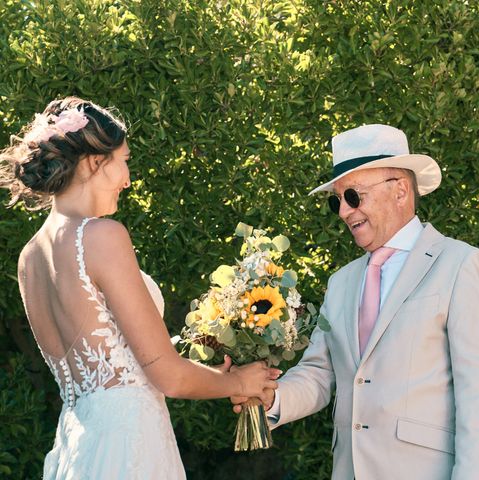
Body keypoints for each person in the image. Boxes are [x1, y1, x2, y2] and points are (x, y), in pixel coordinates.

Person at [0, 97, 279, 479]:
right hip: (129, 444)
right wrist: (238, 381)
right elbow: (168, 375)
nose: (128, 179)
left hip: (77, 446)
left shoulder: (28, 259)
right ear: (95, 162)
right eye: (124, 160)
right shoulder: (102, 236)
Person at [233, 124, 479, 479]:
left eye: (353, 197)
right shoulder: (341, 282)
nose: (344, 212)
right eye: (337, 201)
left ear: (400, 191)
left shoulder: (462, 265)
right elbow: (320, 373)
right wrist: (271, 397)